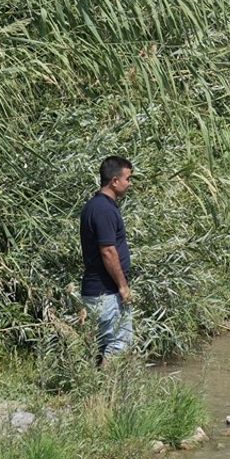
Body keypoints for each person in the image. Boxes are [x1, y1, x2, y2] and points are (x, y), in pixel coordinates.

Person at [79, 155, 134, 364]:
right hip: (106, 292)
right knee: (119, 343)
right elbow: (108, 251)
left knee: (102, 346)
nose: (130, 184)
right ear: (114, 181)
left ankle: (97, 392)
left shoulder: (96, 206)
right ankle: (108, 393)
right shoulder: (103, 209)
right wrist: (122, 286)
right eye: (128, 179)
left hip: (97, 291)